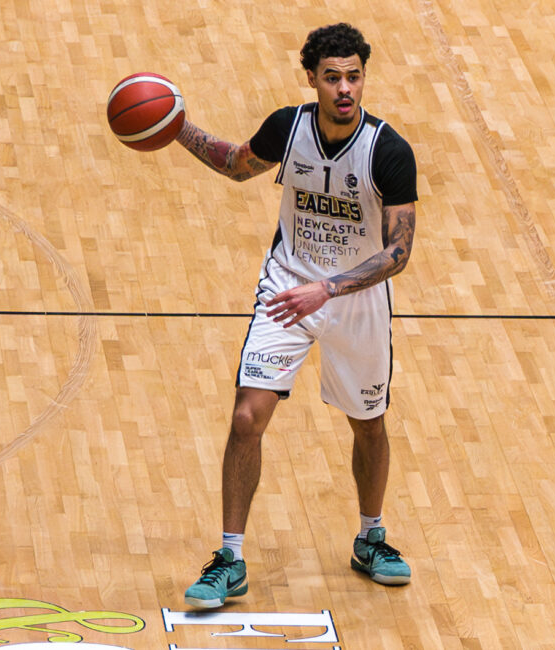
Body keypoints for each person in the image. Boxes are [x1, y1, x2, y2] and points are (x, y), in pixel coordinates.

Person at [171, 23, 418, 608]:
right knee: (245, 418)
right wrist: (175, 127)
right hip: (287, 289)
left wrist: (328, 288)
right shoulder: (289, 127)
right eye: (332, 77)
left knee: (368, 424)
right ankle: (229, 557)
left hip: (355, 301)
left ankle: (371, 537)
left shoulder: (388, 151)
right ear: (312, 79)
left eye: (354, 76)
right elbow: (235, 164)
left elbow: (399, 252)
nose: (345, 89)